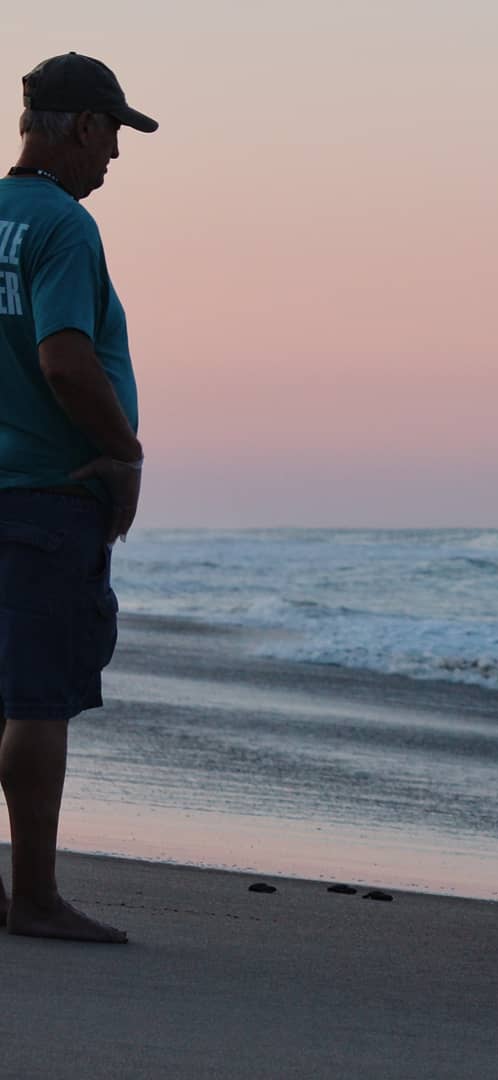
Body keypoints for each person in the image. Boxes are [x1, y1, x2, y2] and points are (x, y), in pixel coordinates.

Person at [0, 53, 157, 943]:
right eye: (113, 134)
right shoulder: (62, 226)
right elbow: (65, 358)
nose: (116, 157)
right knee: (37, 699)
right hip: (46, 497)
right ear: (80, 128)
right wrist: (123, 452)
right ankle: (37, 897)